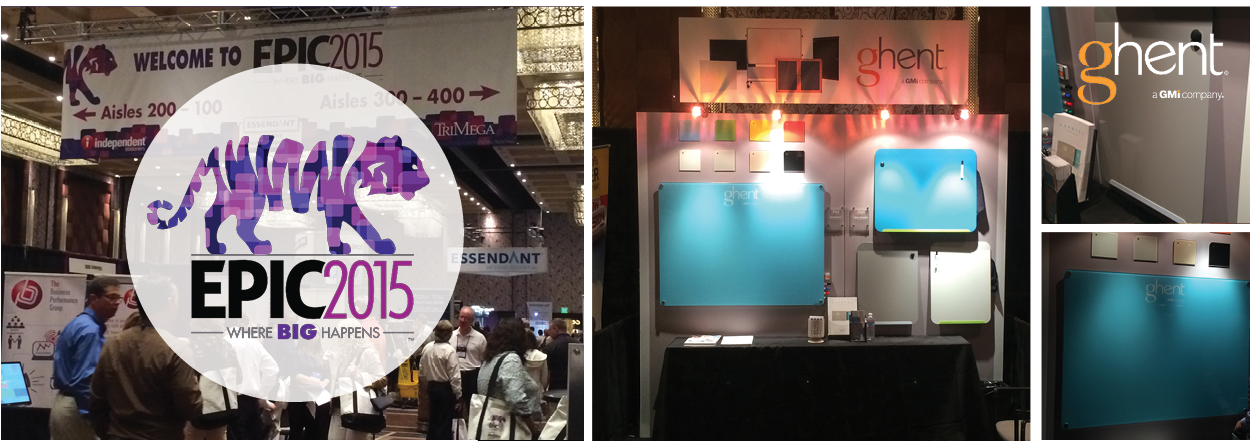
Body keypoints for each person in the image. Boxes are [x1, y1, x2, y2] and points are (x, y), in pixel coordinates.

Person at [88, 287, 203, 439]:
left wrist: (108, 435)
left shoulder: (112, 344)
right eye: (177, 301)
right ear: (169, 302)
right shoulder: (177, 349)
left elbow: (97, 400)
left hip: (118, 435)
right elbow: (190, 407)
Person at [50, 276, 122, 439]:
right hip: (78, 408)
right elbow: (86, 380)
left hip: (67, 403)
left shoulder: (79, 323)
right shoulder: (90, 330)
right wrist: (94, 417)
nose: (116, 303)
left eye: (118, 298)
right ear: (93, 299)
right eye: (111, 297)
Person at [476, 318, 542, 437]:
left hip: (491, 425)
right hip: (512, 428)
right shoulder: (511, 359)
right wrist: (533, 429)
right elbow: (515, 398)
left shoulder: (490, 360)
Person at [419, 321, 461, 440]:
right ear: (449, 334)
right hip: (445, 389)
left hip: (431, 387)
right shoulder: (449, 350)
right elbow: (454, 376)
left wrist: (427, 384)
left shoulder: (427, 348)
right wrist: (458, 394)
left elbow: (422, 371)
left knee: (433, 419)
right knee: (444, 422)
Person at [451, 307, 487, 412]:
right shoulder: (451, 336)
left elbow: (484, 359)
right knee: (453, 407)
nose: (462, 320)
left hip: (472, 376)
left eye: (466, 318)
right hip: (454, 375)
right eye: (461, 317)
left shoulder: (480, 338)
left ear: (472, 320)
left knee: (473, 407)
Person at [543, 319, 573, 390]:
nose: (549, 332)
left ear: (556, 329)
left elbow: (548, 372)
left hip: (556, 387)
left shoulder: (550, 347)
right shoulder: (578, 344)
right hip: (575, 386)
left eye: (550, 329)